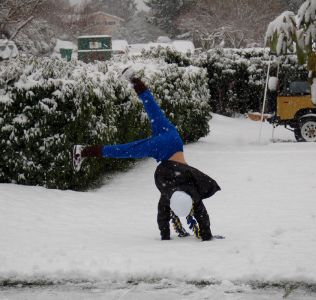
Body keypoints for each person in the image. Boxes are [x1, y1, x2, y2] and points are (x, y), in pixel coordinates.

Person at [73, 68, 221, 241]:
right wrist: (166, 236)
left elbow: (202, 217)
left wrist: (206, 234)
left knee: (152, 108)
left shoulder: (192, 194)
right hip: (163, 150)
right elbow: (163, 216)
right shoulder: (170, 194)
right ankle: (82, 151)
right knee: (125, 150)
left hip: (175, 140)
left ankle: (133, 77)